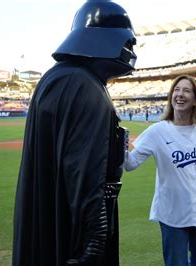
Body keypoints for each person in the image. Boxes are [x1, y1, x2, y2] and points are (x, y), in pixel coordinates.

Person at [12, 1, 137, 265]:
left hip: (56, 228)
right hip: (73, 238)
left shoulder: (62, 79)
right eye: (127, 40)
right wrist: (94, 240)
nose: (131, 48)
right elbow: (85, 174)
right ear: (101, 40)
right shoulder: (82, 85)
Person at [124, 75, 196, 266]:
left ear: (195, 100)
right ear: (171, 97)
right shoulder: (157, 131)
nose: (180, 94)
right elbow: (130, 164)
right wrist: (118, 142)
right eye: (176, 90)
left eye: (186, 90)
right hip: (173, 216)